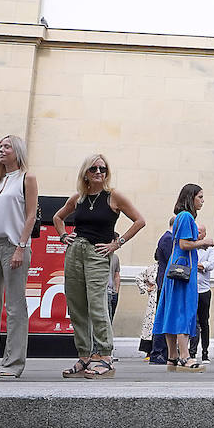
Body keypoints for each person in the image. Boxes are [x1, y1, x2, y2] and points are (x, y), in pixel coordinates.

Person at [53, 153, 146, 379]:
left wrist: (117, 244)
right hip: (75, 251)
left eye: (102, 169)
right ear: (85, 172)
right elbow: (58, 217)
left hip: (97, 253)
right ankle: (85, 355)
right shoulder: (79, 198)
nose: (98, 173)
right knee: (76, 305)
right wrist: (63, 235)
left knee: (97, 305)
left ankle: (104, 356)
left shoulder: (113, 196)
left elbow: (139, 221)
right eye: (94, 169)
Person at [0, 135, 39, 378]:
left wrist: (21, 247)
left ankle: (13, 363)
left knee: (15, 306)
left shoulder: (27, 178)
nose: (2, 150)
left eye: (7, 146)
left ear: (18, 151)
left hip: (14, 245)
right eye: (0, 146)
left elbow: (31, 215)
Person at [152, 183, 213, 372]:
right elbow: (184, 244)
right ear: (191, 197)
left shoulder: (179, 217)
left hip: (175, 270)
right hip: (184, 272)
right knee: (184, 312)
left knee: (171, 312)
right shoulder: (187, 216)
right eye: (200, 197)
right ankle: (185, 357)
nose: (202, 201)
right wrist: (204, 242)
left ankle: (172, 357)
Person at [151, 217, 175, 364]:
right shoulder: (168, 239)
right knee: (163, 317)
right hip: (165, 282)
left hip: (165, 281)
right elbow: (171, 259)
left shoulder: (167, 238)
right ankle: (158, 352)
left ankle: (163, 352)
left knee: (165, 316)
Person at [196, 236, 214, 361]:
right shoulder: (190, 245)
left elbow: (211, 264)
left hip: (204, 289)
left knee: (204, 322)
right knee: (191, 322)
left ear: (204, 234)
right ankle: (191, 352)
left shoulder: (210, 248)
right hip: (190, 289)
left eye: (199, 232)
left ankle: (205, 352)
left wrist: (200, 265)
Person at [136, 262, 158, 359]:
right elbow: (139, 278)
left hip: (165, 298)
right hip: (153, 299)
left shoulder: (169, 266)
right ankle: (149, 351)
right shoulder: (151, 268)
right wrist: (146, 288)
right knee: (150, 324)